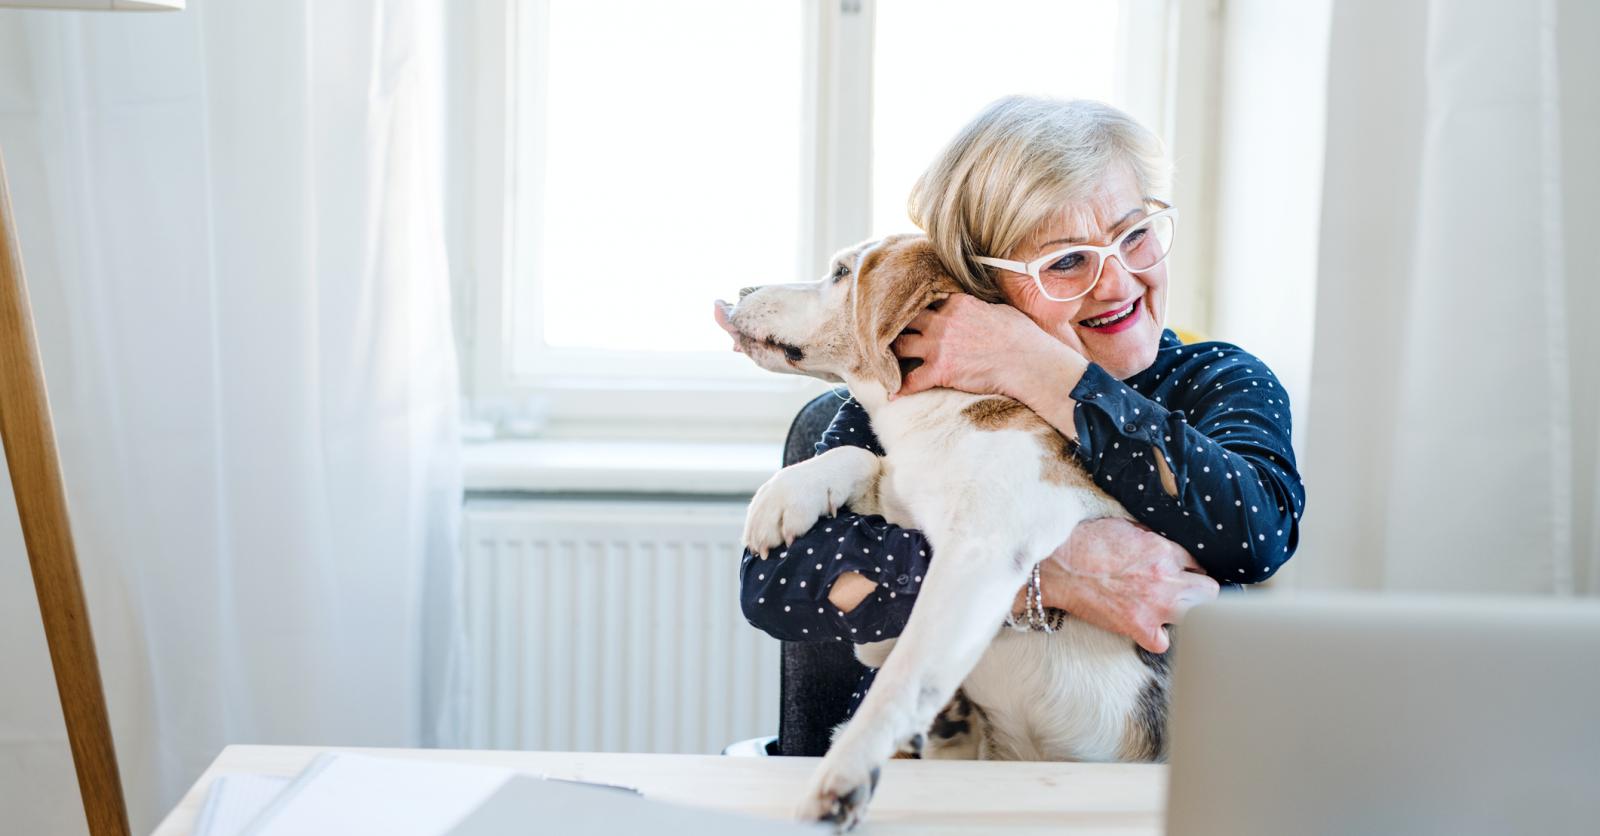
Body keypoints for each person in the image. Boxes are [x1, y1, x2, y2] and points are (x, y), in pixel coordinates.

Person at [738, 96, 1305, 684]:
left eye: (1134, 235)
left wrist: (1038, 368)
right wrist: (1046, 577)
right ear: (983, 283)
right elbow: (776, 584)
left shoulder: (1217, 379)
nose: (1117, 283)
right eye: (1066, 262)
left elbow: (1254, 536)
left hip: (1143, 770)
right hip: (936, 764)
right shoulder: (912, 392)